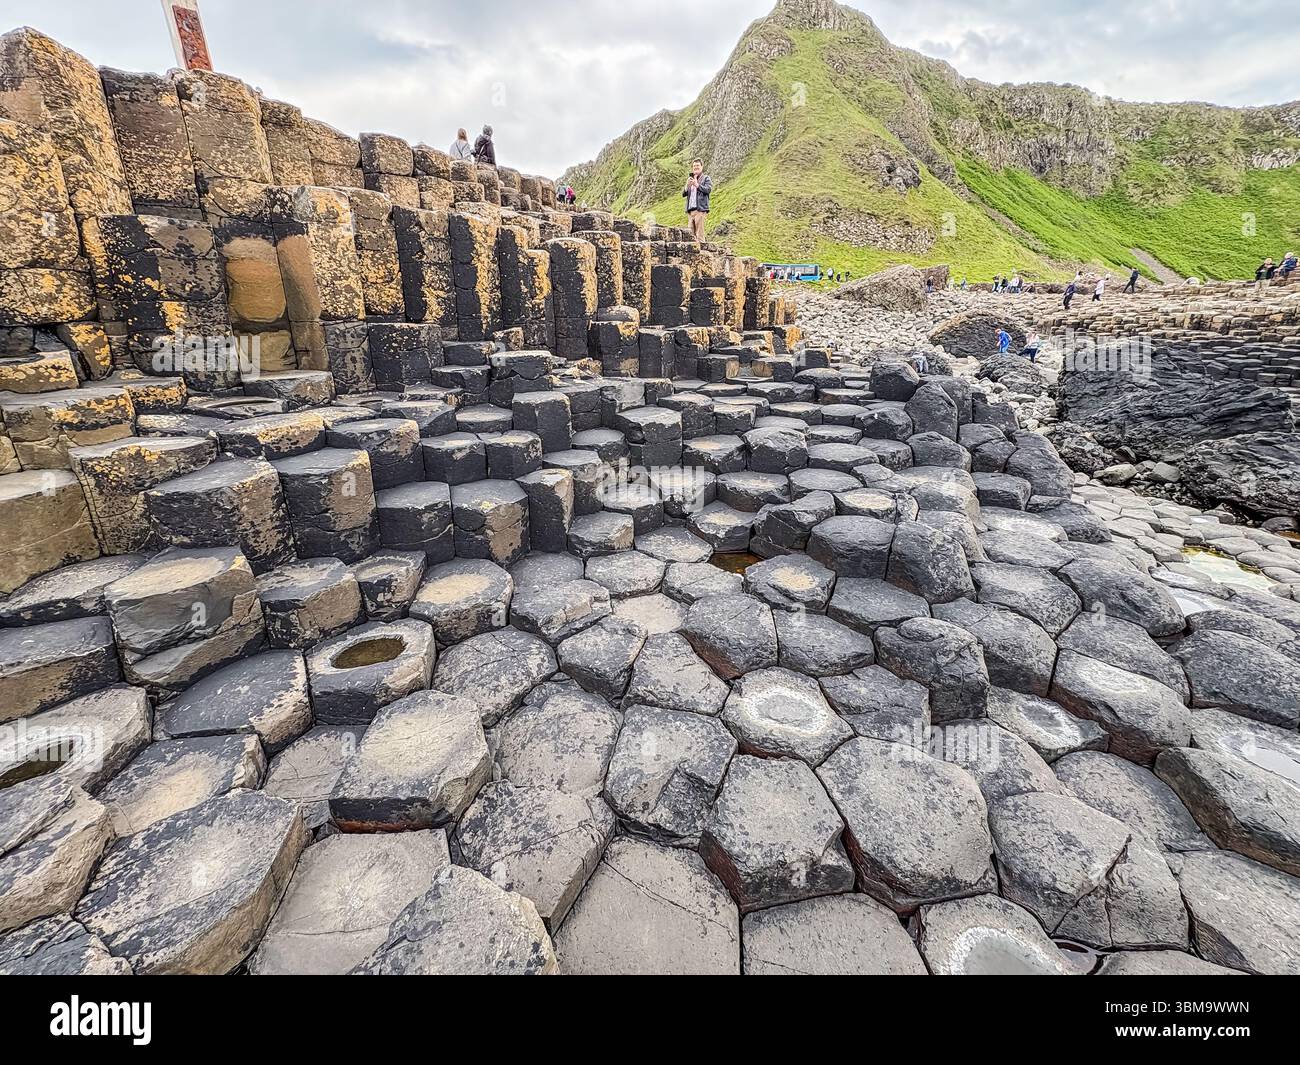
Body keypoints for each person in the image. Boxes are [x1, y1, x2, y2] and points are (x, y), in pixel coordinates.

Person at [682, 159, 712, 241]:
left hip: (700, 209)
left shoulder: (706, 178)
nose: (696, 167)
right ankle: (693, 253)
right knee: (690, 236)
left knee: (699, 234)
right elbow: (683, 194)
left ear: (702, 167)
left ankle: (703, 253)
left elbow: (708, 189)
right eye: (694, 166)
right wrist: (687, 185)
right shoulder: (690, 179)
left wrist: (697, 185)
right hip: (690, 211)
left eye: (698, 165)